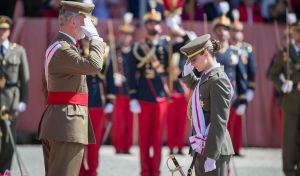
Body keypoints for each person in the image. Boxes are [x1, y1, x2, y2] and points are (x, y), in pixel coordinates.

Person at [37, 1, 106, 175]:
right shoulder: (62, 49)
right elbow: (95, 66)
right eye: (85, 21)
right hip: (66, 125)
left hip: (60, 121)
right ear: (73, 22)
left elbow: (45, 87)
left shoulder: (60, 47)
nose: (88, 26)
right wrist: (95, 39)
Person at [180, 34, 234, 176]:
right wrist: (187, 75)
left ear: (205, 54)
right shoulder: (207, 76)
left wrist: (211, 155)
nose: (192, 64)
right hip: (203, 145)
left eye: (194, 60)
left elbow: (219, 121)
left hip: (213, 150)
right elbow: (200, 90)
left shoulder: (218, 80)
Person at [212, 10, 248, 156]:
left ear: (229, 32)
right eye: (219, 29)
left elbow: (241, 77)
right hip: (213, 99)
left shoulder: (235, 52)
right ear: (214, 32)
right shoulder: (210, 52)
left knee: (227, 136)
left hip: (231, 100)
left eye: (225, 29)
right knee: (213, 137)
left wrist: (243, 99)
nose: (222, 32)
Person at [79, 39, 115, 175]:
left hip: (97, 101)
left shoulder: (103, 52)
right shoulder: (76, 49)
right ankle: (80, 171)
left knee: (95, 142)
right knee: (79, 141)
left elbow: (109, 77)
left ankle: (92, 170)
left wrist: (111, 99)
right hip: (80, 101)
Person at [268, 20, 300, 176]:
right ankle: (289, 170)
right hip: (290, 101)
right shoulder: (284, 52)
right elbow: (272, 74)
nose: (298, 34)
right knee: (289, 138)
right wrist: (281, 85)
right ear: (292, 33)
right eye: (297, 31)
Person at [0, 15, 29, 174]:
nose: (1, 32)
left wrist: (24, 100)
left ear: (9, 31)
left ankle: (5, 170)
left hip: (11, 100)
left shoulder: (18, 50)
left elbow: (24, 79)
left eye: (4, 29)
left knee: (8, 139)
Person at [229, 9, 256, 155]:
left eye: (238, 31)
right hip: (231, 87)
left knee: (239, 121)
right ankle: (228, 148)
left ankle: (237, 148)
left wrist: (251, 89)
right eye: (233, 30)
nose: (236, 34)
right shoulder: (228, 48)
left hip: (243, 89)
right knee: (229, 121)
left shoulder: (247, 48)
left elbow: (252, 70)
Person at [112, 12, 134, 154]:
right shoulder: (115, 51)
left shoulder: (134, 52)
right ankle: (118, 146)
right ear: (120, 36)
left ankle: (127, 146)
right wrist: (115, 76)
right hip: (119, 92)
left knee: (130, 122)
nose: (126, 37)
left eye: (128, 35)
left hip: (131, 91)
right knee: (119, 121)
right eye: (123, 34)